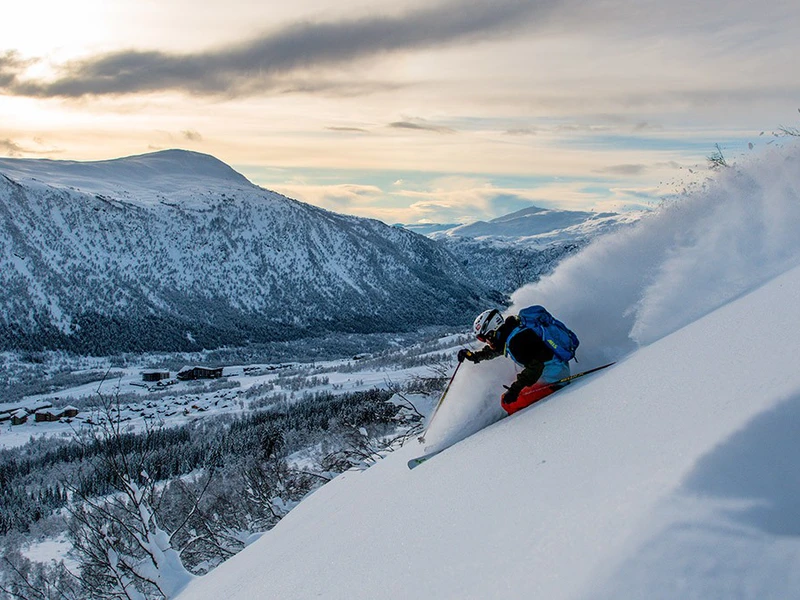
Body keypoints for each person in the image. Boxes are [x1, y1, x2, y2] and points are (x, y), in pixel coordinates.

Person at [457, 308, 571, 415]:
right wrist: (474, 356)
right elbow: (497, 349)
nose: (486, 342)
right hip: (553, 368)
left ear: (492, 332)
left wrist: (514, 390)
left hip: (555, 378)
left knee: (507, 402)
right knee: (512, 381)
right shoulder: (511, 330)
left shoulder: (516, 343)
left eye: (484, 338)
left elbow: (536, 367)